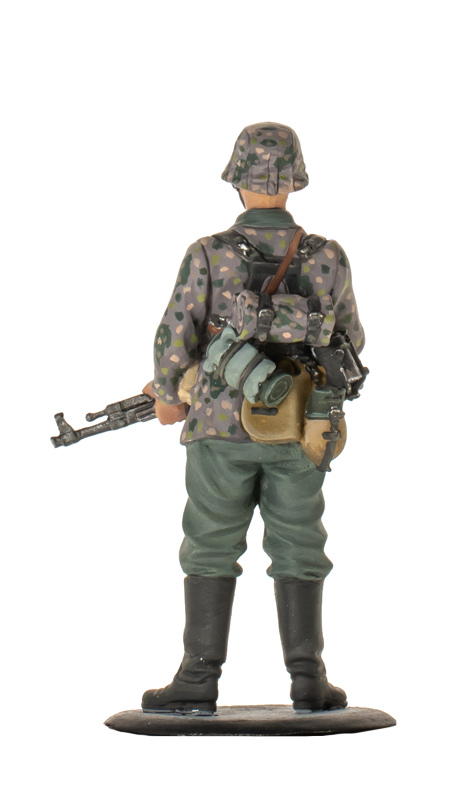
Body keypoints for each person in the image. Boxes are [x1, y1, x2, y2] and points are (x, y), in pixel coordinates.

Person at [141, 122, 365, 715]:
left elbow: (175, 332)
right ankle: (310, 681)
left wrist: (167, 392)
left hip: (219, 427)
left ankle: (197, 680)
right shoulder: (329, 256)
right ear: (295, 181)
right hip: (302, 427)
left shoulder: (208, 252)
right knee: (301, 543)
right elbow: (351, 338)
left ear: (237, 179)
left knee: (210, 543)